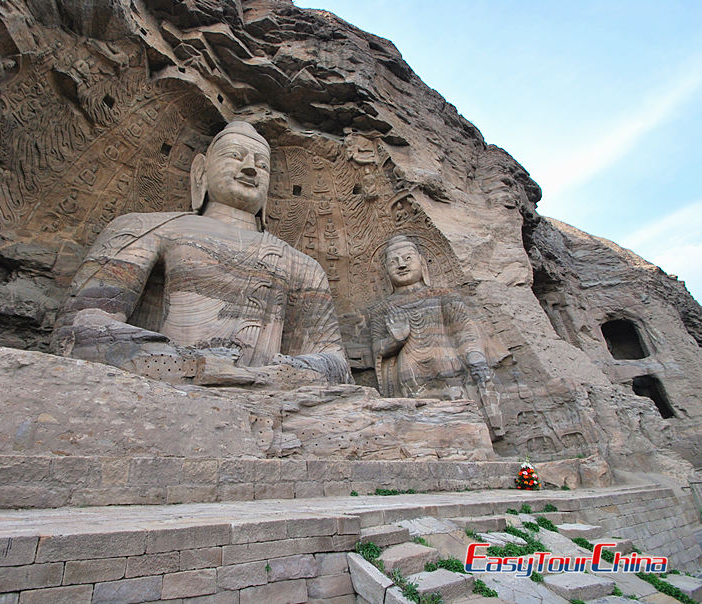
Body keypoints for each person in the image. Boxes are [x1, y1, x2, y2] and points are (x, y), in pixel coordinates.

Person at [52, 121, 351, 384]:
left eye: (262, 164)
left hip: (269, 389)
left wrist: (280, 372)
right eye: (235, 156)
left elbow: (335, 363)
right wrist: (192, 364)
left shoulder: (303, 264)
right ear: (201, 172)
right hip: (167, 384)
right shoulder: (149, 228)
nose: (250, 168)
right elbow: (77, 329)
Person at [369, 235, 503, 434]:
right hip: (410, 375)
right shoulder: (382, 308)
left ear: (422, 263)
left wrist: (476, 359)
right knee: (421, 426)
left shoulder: (445, 296)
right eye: (393, 262)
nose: (401, 265)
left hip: (450, 368)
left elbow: (464, 333)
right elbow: (377, 350)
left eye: (407, 258)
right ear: (385, 272)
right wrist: (396, 340)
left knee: (463, 421)